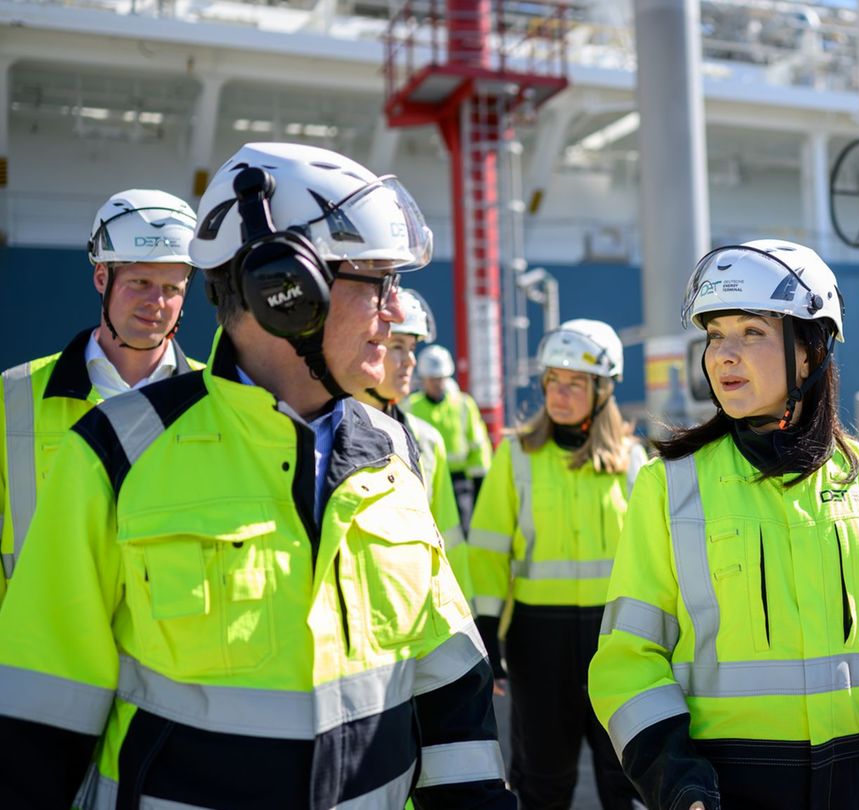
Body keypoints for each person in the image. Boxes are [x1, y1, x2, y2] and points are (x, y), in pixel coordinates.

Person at [0, 142, 514, 808]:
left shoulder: (396, 452)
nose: (395, 313)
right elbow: (38, 725)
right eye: (377, 282)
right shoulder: (114, 454)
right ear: (286, 292)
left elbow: (452, 704)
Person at [588, 239, 859, 810]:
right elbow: (628, 657)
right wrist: (676, 776)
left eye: (753, 333)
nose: (723, 355)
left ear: (810, 351)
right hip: (726, 787)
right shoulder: (668, 485)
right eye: (715, 335)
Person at [471, 318, 648, 810]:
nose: (559, 393)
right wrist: (487, 628)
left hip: (615, 638)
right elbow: (486, 549)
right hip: (536, 639)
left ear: (603, 390)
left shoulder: (634, 462)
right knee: (543, 779)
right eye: (553, 380)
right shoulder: (515, 455)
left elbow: (656, 561)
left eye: (574, 383)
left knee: (624, 778)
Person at [0, 189, 203, 606]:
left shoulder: (215, 398)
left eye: (172, 287)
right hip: (42, 645)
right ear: (100, 277)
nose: (157, 303)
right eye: (140, 282)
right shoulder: (13, 395)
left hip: (166, 658)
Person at [354, 287, 471, 600]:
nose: (409, 362)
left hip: (415, 621)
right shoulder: (324, 431)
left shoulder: (427, 441)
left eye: (411, 348)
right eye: (396, 347)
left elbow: (448, 541)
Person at [407, 343, 493, 529]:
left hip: (460, 483)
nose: (437, 383)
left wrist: (480, 487)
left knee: (459, 534)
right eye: (432, 379)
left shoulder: (463, 405)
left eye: (441, 379)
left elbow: (479, 447)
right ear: (423, 379)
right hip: (422, 481)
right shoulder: (411, 406)